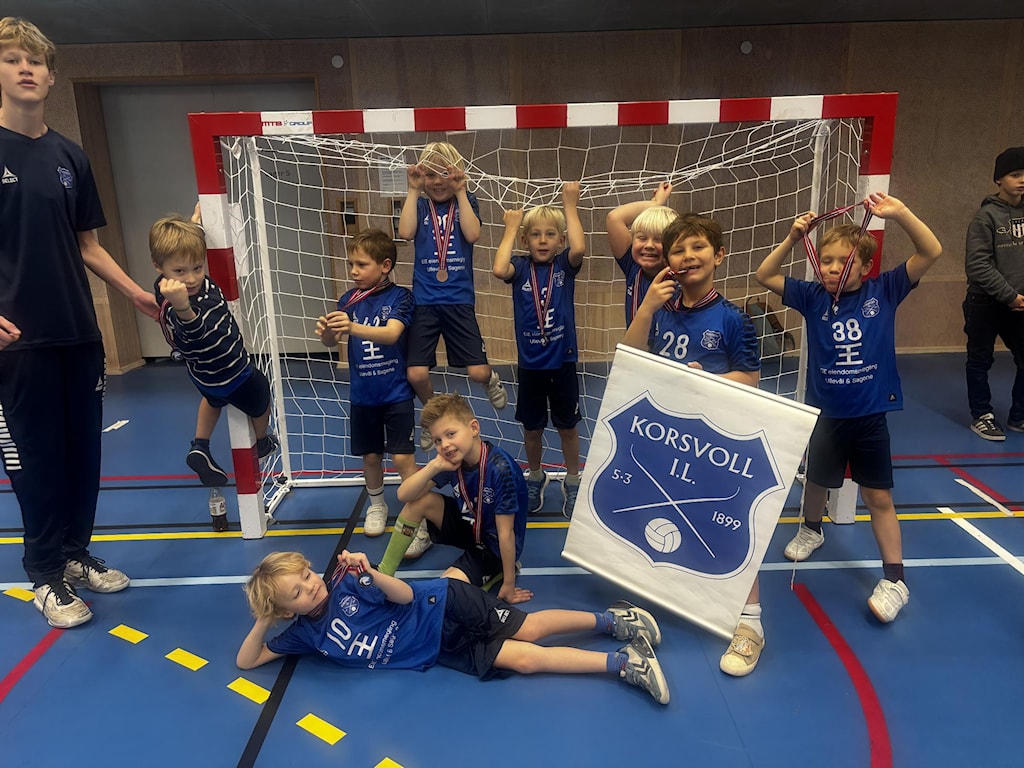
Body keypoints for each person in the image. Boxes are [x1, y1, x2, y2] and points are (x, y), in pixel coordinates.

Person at [0, 17, 161, 627]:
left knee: (81, 457)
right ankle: (43, 574)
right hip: (19, 345)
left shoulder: (69, 156)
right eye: (12, 59)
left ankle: (72, 554)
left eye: (36, 61)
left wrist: (136, 294)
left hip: (77, 334)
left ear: (50, 76)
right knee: (36, 462)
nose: (26, 69)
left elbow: (86, 245)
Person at [756, 192, 942, 624]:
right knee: (817, 481)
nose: (832, 268)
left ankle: (895, 580)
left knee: (878, 496)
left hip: (869, 417)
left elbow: (931, 251)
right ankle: (811, 529)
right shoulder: (811, 296)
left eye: (843, 261)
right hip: (826, 415)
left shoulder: (886, 290)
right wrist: (792, 237)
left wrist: (900, 212)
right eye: (826, 261)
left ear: (865, 267)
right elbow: (765, 274)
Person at [236, 549, 670, 704]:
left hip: (444, 604)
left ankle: (615, 620)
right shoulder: (303, 635)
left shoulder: (349, 583)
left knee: (530, 630)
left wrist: (372, 572)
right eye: (296, 592)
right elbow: (248, 661)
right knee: (524, 661)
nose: (311, 586)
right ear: (285, 612)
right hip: (439, 648)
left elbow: (404, 596)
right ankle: (624, 663)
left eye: (307, 575)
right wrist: (262, 622)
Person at [622, 213, 765, 677]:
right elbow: (630, 358)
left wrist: (710, 381)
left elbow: (751, 378)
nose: (688, 256)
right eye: (678, 250)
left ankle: (751, 623)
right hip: (667, 437)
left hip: (715, 440)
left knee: (729, 524)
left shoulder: (733, 318)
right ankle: (667, 594)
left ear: (718, 255)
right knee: (660, 512)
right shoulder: (661, 310)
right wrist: (646, 307)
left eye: (698, 247)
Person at [150, 212, 277, 486]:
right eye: (180, 272)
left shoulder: (165, 285)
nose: (191, 278)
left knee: (212, 401)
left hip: (204, 378)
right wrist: (182, 307)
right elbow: (195, 329)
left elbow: (189, 247)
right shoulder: (182, 305)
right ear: (158, 267)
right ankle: (262, 442)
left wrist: (196, 220)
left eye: (197, 268)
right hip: (234, 374)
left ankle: (200, 446)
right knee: (262, 396)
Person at [397, 141, 508, 453]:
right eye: (430, 175)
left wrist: (461, 191)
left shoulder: (466, 201)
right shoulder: (420, 205)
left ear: (457, 174)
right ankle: (434, 416)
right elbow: (405, 233)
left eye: (444, 174)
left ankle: (491, 379)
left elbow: (472, 234)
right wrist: (412, 190)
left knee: (478, 372)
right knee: (416, 373)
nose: (437, 181)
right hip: (425, 303)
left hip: (459, 301)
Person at [375, 392, 530, 603]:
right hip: (471, 527)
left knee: (445, 590)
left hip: (494, 547)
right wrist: (434, 466)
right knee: (420, 501)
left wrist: (509, 585)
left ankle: (500, 570)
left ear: (474, 428)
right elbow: (404, 495)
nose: (445, 445)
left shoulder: (500, 469)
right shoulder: (452, 460)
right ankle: (384, 573)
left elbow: (506, 533)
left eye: (450, 434)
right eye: (438, 440)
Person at [315, 229, 418, 536]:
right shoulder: (348, 300)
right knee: (370, 456)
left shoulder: (401, 297)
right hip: (363, 395)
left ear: (385, 266)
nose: (353, 271)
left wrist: (352, 327)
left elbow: (391, 334)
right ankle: (377, 505)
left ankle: (417, 514)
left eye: (361, 264)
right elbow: (331, 342)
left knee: (402, 457)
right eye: (351, 264)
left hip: (396, 393)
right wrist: (327, 333)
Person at [493, 182, 586, 518]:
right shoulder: (520, 268)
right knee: (532, 430)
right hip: (530, 366)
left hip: (562, 362)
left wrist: (570, 206)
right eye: (535, 235)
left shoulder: (563, 266)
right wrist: (511, 227)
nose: (543, 240)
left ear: (560, 240)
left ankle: (572, 481)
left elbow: (580, 247)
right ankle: (535, 476)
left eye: (550, 235)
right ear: (525, 241)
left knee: (567, 428)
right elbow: (498, 269)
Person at [963, 146, 1024, 441]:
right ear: (999, 179)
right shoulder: (985, 217)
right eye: (1015, 174)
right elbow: (977, 266)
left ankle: (1019, 415)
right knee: (980, 361)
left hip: (1019, 304)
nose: (1022, 180)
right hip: (985, 302)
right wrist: (1009, 295)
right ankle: (982, 415)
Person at [606, 181, 678, 326]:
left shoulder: (681, 276)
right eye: (642, 238)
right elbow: (614, 218)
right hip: (634, 341)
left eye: (658, 239)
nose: (649, 245)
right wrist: (656, 204)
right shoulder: (632, 266)